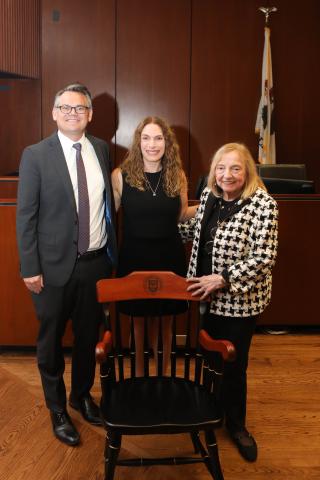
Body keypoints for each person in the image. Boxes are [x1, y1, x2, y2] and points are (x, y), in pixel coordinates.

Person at [16, 83, 117, 447]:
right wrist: (30, 267)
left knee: (89, 337)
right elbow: (25, 217)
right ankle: (57, 408)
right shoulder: (35, 155)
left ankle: (81, 396)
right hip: (52, 269)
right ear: (54, 113)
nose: (73, 113)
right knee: (51, 341)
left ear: (90, 114)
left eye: (80, 108)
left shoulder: (102, 150)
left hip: (94, 266)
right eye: (66, 107)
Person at [183, 142, 278, 462]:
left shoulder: (263, 205)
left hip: (238, 300)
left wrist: (221, 278)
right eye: (221, 168)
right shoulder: (211, 197)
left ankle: (236, 425)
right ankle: (210, 412)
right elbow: (193, 231)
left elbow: (264, 258)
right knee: (208, 357)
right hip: (204, 295)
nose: (227, 174)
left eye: (235, 168)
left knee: (234, 365)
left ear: (248, 171)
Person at [112, 116, 197, 375]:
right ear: (138, 142)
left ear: (167, 143)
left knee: (166, 320)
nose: (152, 144)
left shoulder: (177, 175)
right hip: (134, 256)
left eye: (158, 138)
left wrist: (210, 202)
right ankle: (138, 371)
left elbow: (181, 214)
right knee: (137, 320)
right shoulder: (120, 176)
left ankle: (166, 371)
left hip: (169, 256)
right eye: (146, 138)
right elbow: (107, 213)